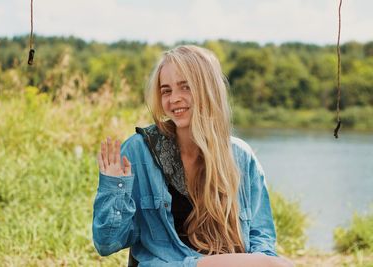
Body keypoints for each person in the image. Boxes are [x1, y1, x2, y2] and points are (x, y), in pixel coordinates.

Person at [93, 45, 293, 267]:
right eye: (166, 90)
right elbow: (107, 244)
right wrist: (114, 188)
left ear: (208, 89)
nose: (174, 98)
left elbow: (261, 239)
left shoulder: (241, 157)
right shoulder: (139, 151)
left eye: (185, 87)